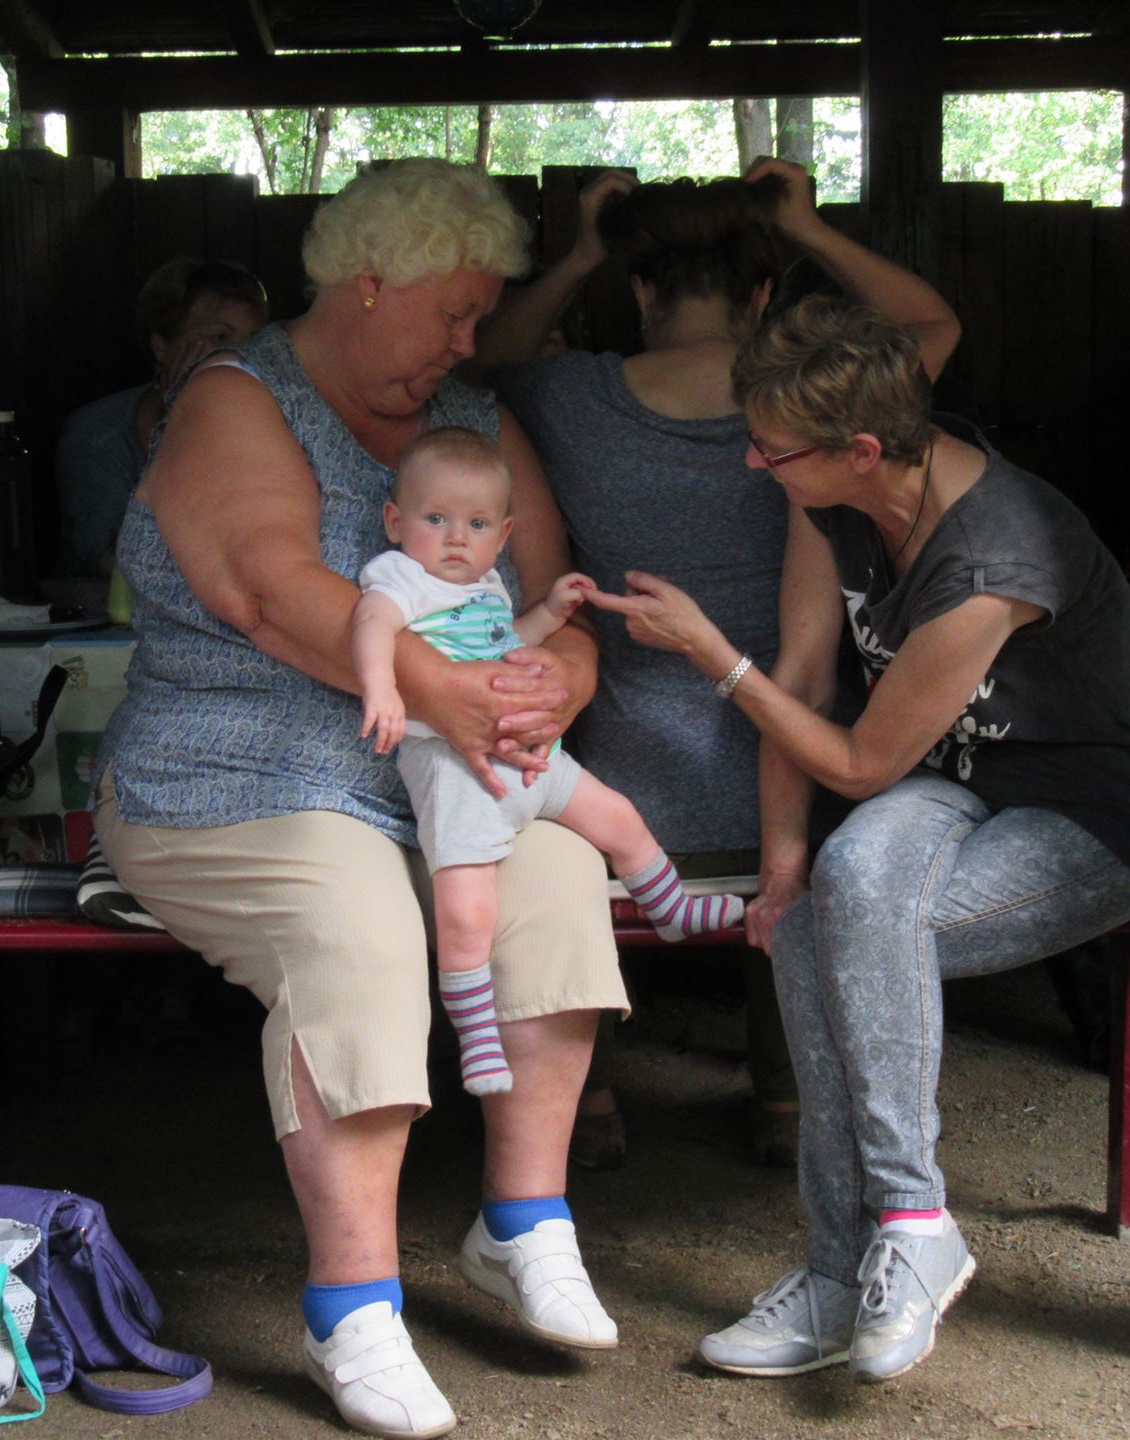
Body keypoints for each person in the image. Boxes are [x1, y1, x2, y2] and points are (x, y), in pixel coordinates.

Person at [92, 158, 628, 1440]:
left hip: (440, 772)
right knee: (358, 931)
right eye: (455, 312)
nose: (471, 342)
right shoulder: (236, 399)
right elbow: (270, 589)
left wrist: (556, 681)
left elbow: (558, 599)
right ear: (370, 283)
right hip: (234, 767)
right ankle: (353, 1306)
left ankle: (523, 1222)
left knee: (561, 878)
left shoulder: (469, 419)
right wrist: (454, 693)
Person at [585, 296, 1130, 1383]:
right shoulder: (833, 501)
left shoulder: (995, 559)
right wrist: (781, 869)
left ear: (859, 448)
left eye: (772, 449)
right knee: (819, 902)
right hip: (952, 781)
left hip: (1091, 811)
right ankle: (878, 1252)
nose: (752, 463)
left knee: (831, 934)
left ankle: (885, 1231)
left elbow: (855, 764)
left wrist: (712, 656)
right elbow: (805, 683)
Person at [476, 160, 961, 1168]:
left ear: (641, 289)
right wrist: (808, 225)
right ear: (763, 296)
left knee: (554, 860)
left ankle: (588, 1103)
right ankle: (784, 1098)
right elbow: (933, 327)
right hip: (787, 760)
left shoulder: (567, 395)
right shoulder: (812, 405)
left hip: (615, 782)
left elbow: (477, 357)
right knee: (808, 812)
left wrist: (577, 254)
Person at [352, 426, 746, 1096]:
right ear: (395, 522)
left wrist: (550, 615)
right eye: (435, 519)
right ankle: (477, 1035)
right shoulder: (402, 579)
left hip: (536, 762)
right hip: (460, 774)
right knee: (467, 911)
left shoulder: (487, 588)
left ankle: (670, 907)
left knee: (620, 819)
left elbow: (508, 640)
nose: (455, 539)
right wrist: (382, 687)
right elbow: (370, 625)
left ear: (503, 537)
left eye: (477, 524)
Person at [55, 258, 270, 575]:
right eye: (221, 338)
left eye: (254, 339)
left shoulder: (275, 425)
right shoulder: (97, 435)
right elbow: (116, 562)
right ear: (162, 347)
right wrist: (184, 425)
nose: (244, 354)